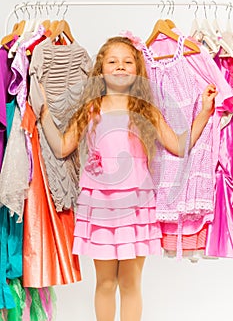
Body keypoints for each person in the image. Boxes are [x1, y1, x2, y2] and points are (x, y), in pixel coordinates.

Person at [38, 35, 217, 321]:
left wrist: (205, 112)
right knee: (106, 282)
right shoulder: (90, 109)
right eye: (112, 61)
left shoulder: (146, 110)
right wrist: (44, 112)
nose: (120, 67)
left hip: (137, 206)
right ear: (101, 70)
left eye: (127, 62)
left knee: (131, 283)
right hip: (100, 208)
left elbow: (179, 146)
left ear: (137, 70)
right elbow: (61, 147)